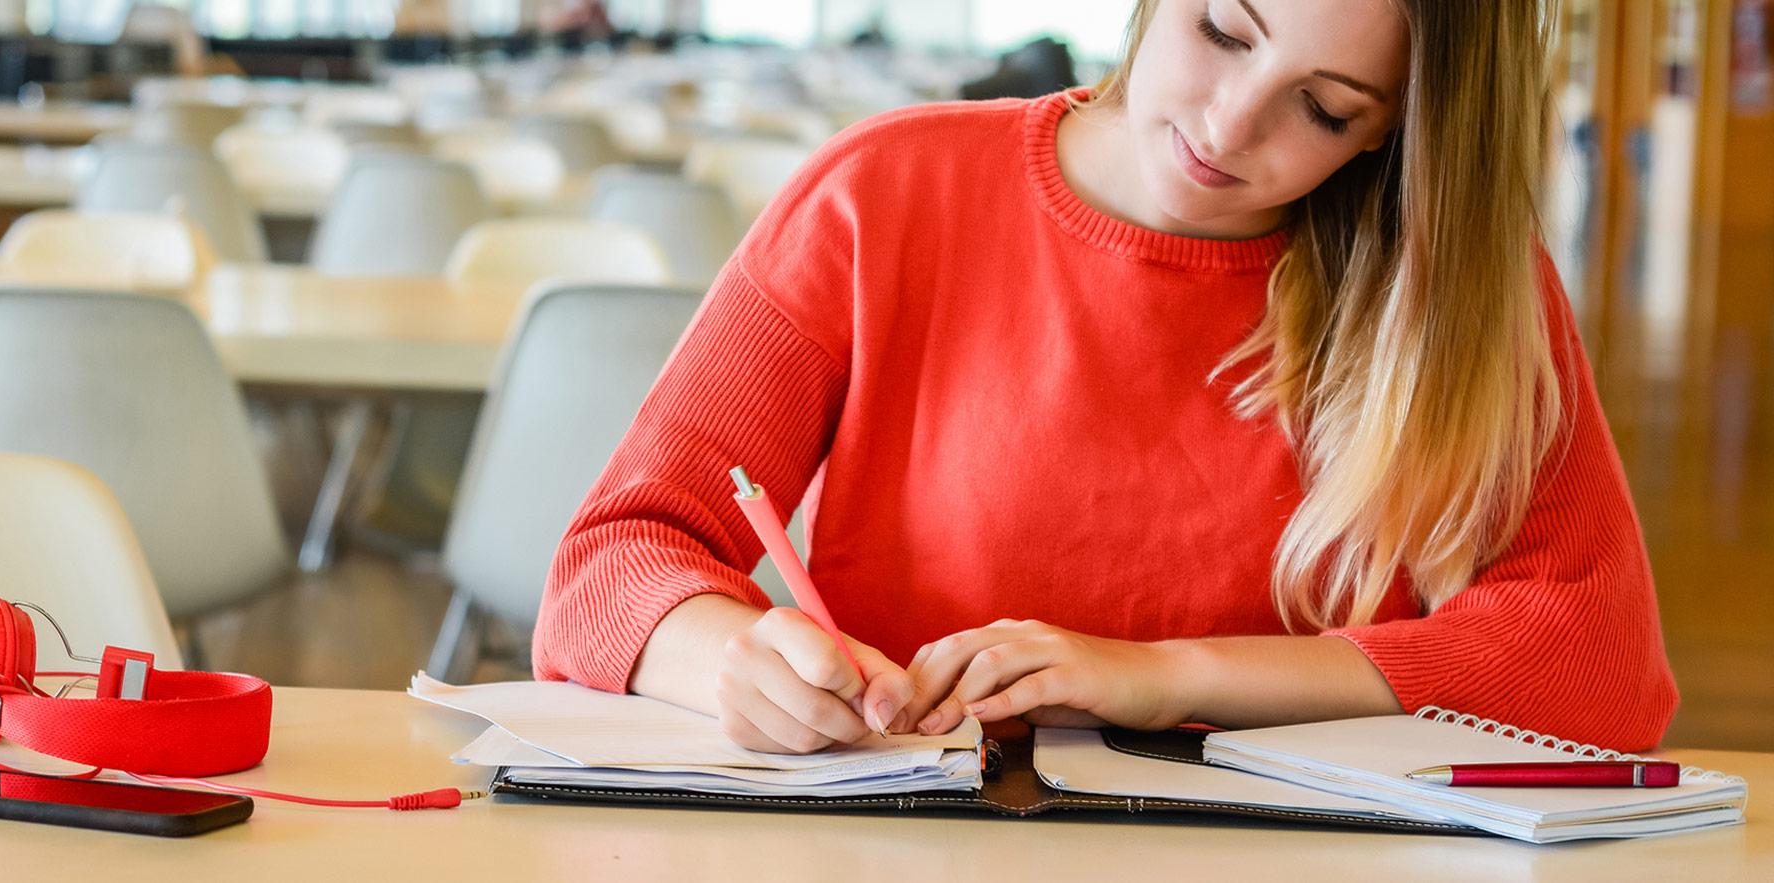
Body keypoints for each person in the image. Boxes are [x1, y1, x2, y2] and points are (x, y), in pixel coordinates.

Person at [533, 0, 1680, 754]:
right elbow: (615, 559)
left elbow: (1596, 665)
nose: (1230, 126)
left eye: (1325, 109)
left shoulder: (1458, 287)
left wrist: (1164, 674)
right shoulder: (880, 196)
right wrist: (724, 658)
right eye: (1224, 31)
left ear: (1394, 136)